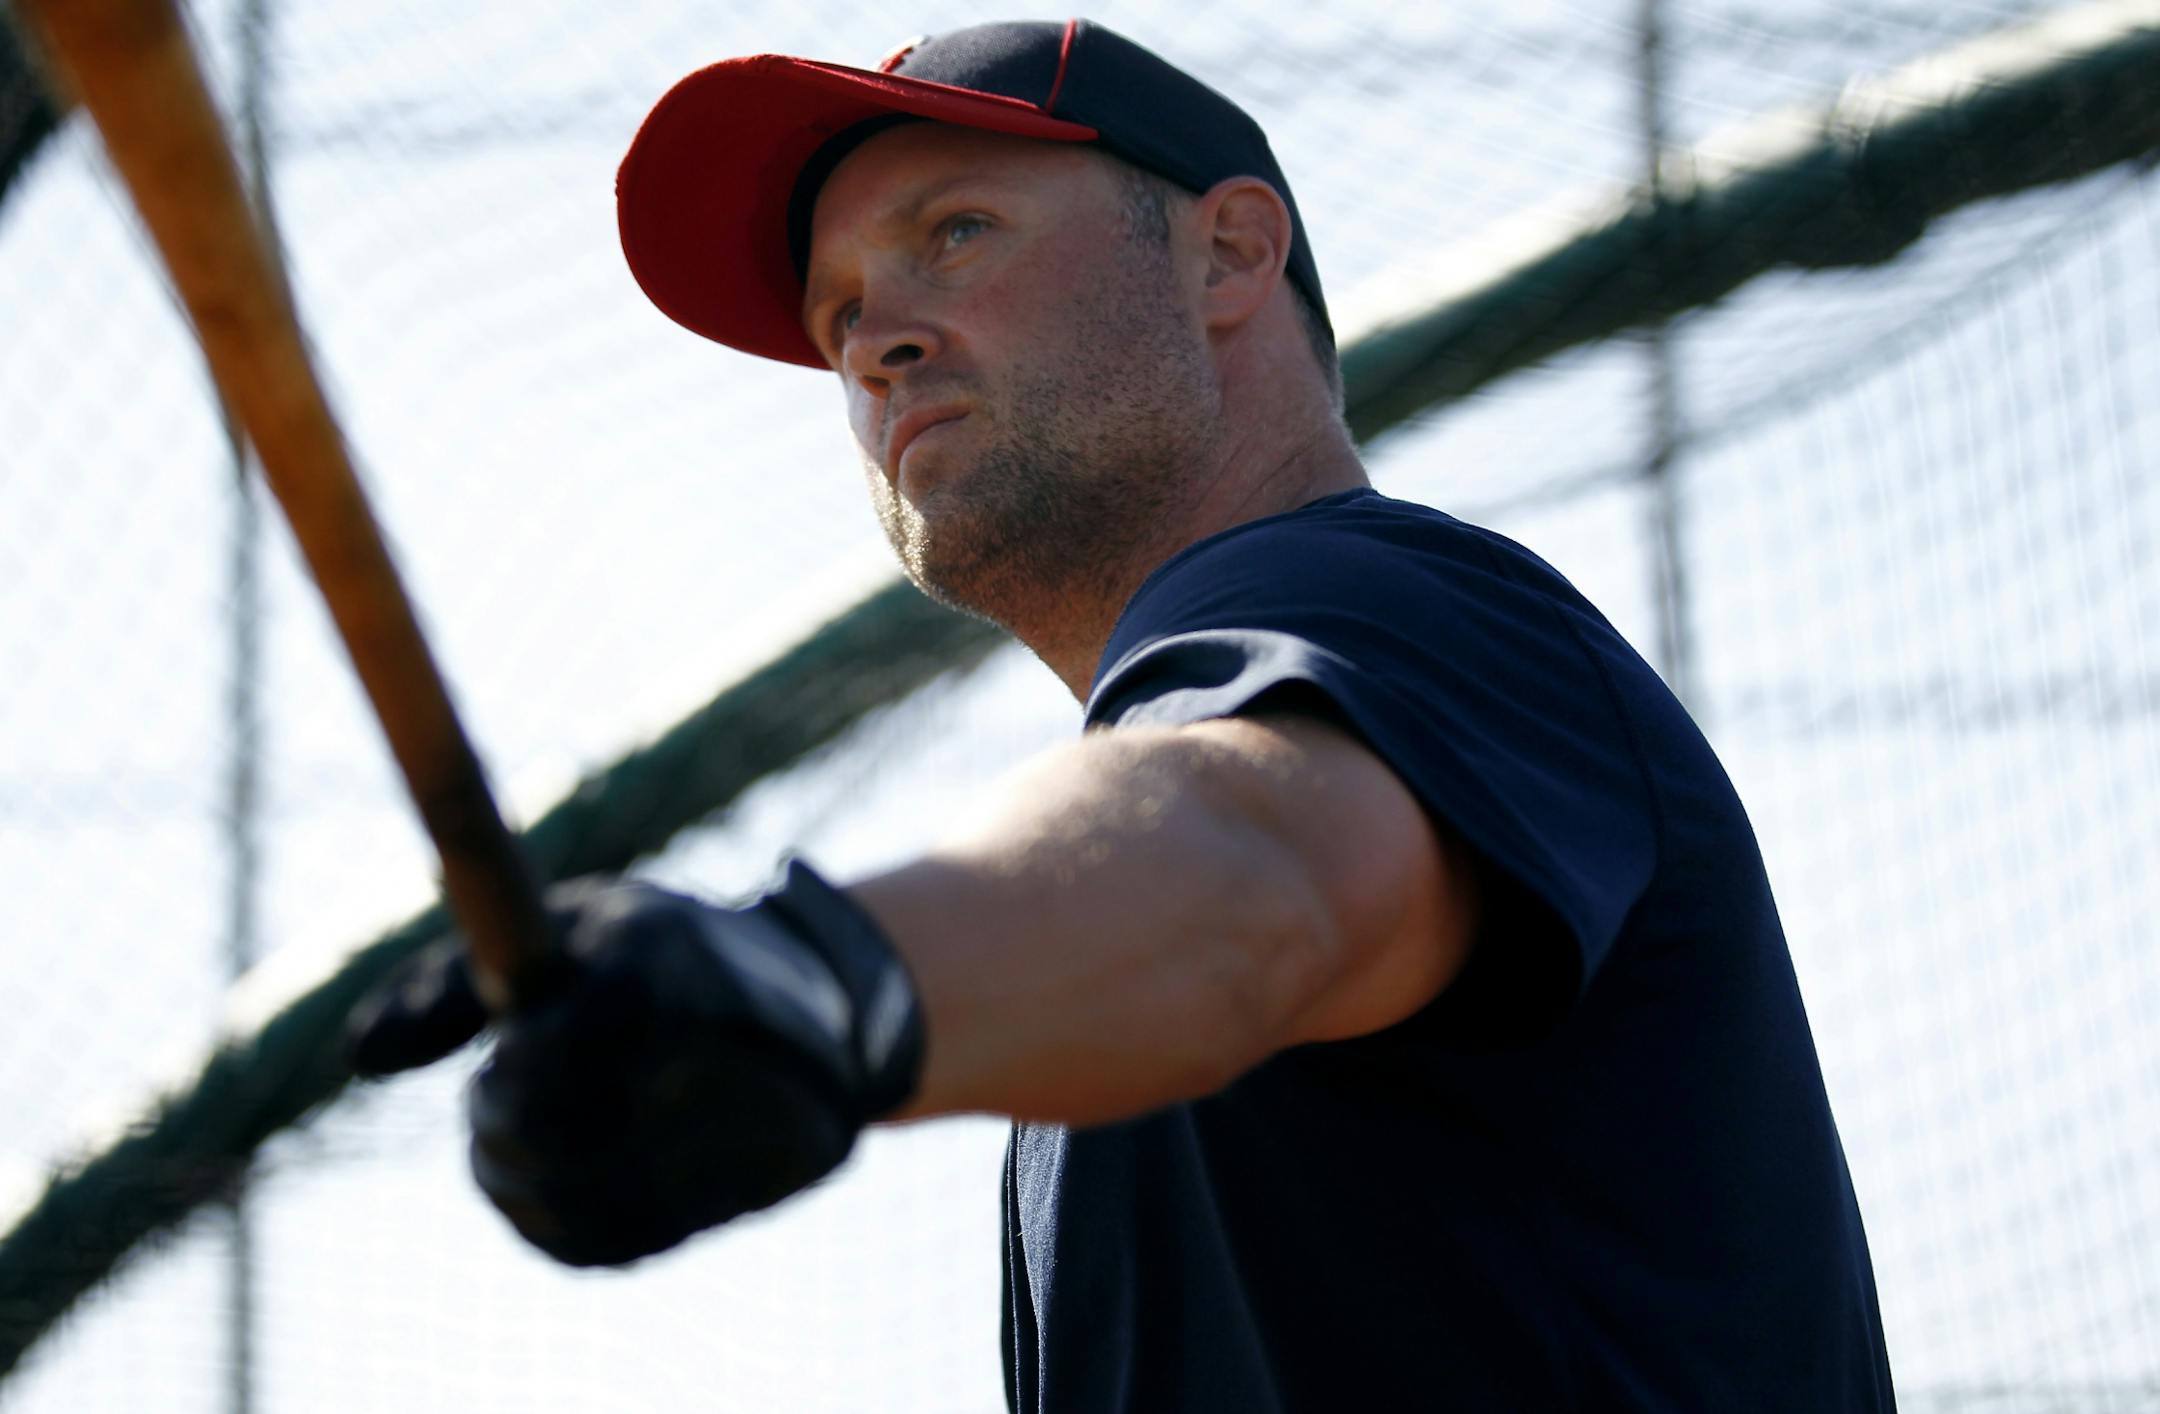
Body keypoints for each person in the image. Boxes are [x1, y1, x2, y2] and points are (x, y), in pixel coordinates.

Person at [350, 19, 1897, 1411]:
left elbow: (1260, 865)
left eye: (955, 233)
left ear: (1227, 254)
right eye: (837, 317)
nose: (876, 341)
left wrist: (821, 980)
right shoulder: (1095, 989)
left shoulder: (1389, 600)